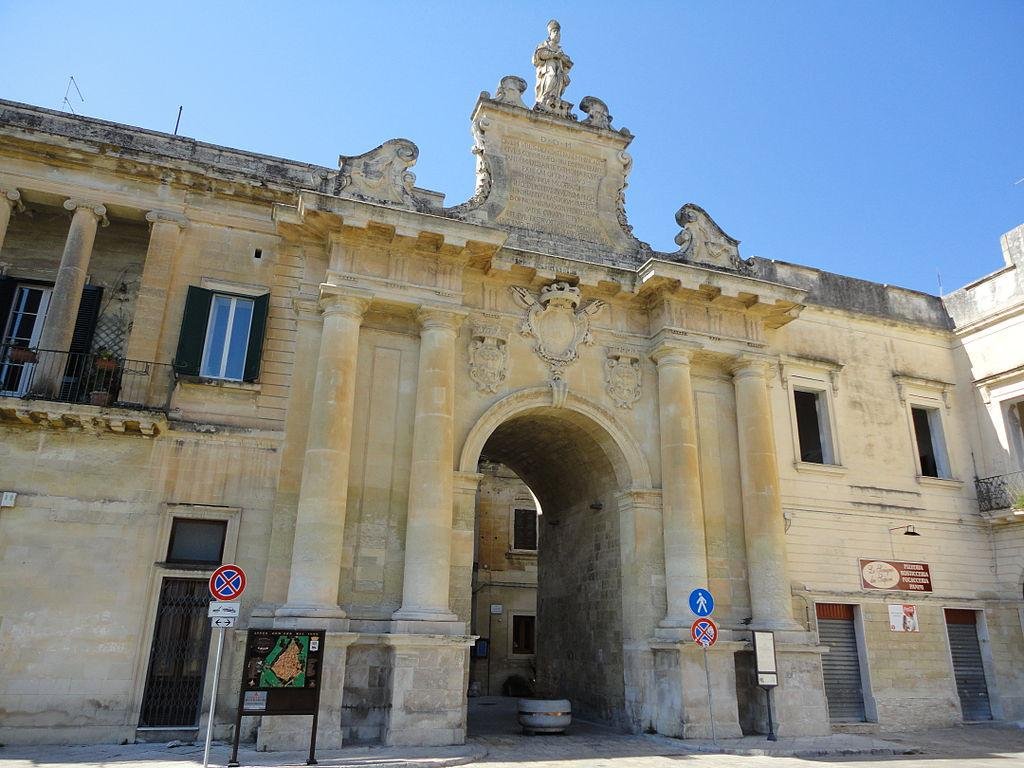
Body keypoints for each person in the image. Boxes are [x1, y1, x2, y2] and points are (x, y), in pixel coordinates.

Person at [533, 20, 573, 108]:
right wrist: (554, 55)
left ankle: (555, 97)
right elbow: (540, 54)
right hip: (548, 68)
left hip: (559, 70)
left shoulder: (560, 49)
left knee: (558, 79)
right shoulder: (544, 45)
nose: (558, 35)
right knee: (551, 76)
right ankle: (545, 96)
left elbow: (569, 63)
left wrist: (561, 57)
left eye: (559, 33)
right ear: (550, 34)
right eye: (555, 32)